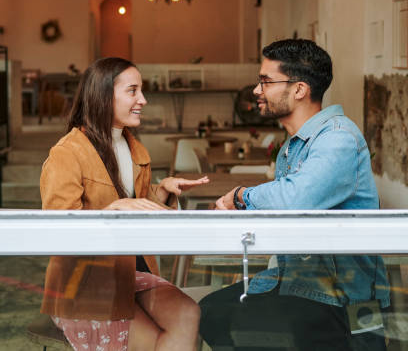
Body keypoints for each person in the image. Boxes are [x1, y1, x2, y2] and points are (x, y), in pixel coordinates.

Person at [200, 39, 389, 351]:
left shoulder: (337, 138)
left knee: (224, 318)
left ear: (299, 89)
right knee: (212, 311)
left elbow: (295, 198)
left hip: (340, 299)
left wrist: (241, 196)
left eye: (265, 81)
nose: (256, 91)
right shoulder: (295, 145)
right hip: (301, 285)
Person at [40, 57, 209, 351]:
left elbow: (134, 205)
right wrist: (109, 212)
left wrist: (162, 191)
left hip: (132, 271)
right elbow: (57, 230)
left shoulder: (135, 148)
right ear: (104, 96)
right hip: (86, 280)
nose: (142, 100)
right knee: (155, 341)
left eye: (141, 91)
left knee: (189, 312)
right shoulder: (66, 153)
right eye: (132, 91)